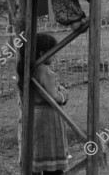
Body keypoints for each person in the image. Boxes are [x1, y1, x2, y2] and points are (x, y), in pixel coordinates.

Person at [17, 33, 69, 175]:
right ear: (43, 53)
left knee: (38, 152)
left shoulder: (27, 69)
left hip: (34, 115)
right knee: (51, 153)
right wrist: (64, 94)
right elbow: (54, 97)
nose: (54, 56)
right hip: (48, 117)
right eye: (52, 52)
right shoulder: (45, 71)